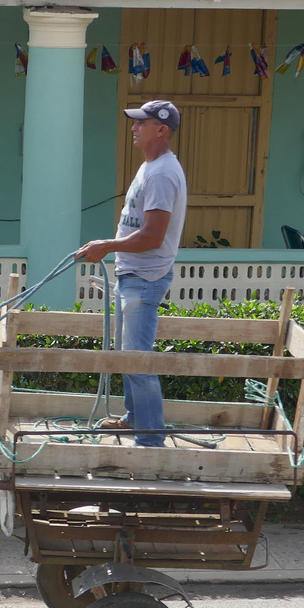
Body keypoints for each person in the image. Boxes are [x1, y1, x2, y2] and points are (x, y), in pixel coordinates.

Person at [76, 99, 188, 448]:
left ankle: (151, 439)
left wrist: (107, 246)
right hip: (134, 274)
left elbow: (153, 236)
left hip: (146, 277)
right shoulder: (150, 167)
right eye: (136, 122)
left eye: (142, 122)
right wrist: (110, 248)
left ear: (162, 130)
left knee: (138, 360)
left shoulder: (161, 173)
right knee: (129, 356)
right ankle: (136, 419)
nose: (134, 127)